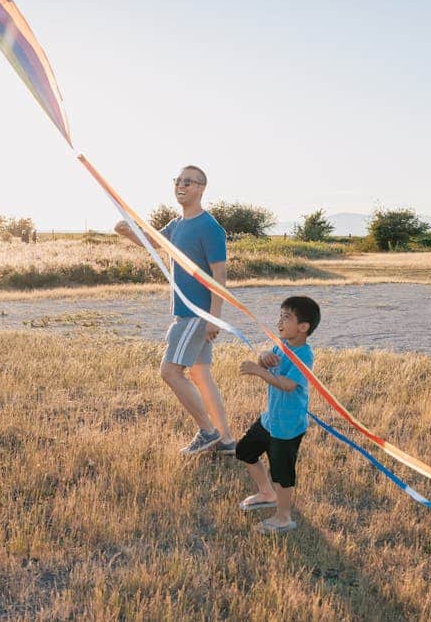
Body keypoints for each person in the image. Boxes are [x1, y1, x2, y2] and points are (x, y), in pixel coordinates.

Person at [113, 165, 234, 455]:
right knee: (201, 376)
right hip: (187, 313)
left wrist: (214, 318)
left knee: (170, 372)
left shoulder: (210, 227)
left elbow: (220, 276)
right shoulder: (176, 224)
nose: (181, 185)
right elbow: (152, 241)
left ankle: (207, 432)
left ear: (201, 189)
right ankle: (227, 442)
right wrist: (126, 230)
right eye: (178, 180)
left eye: (188, 182)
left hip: (197, 314)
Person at [235, 296, 320, 534]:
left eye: (286, 317)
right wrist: (263, 359)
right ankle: (266, 493)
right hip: (270, 419)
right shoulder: (281, 345)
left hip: (288, 426)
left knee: (282, 475)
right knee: (245, 451)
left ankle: (284, 518)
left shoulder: (304, 355)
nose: (279, 321)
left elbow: (288, 384)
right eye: (280, 315)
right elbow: (268, 361)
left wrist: (257, 372)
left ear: (303, 327)